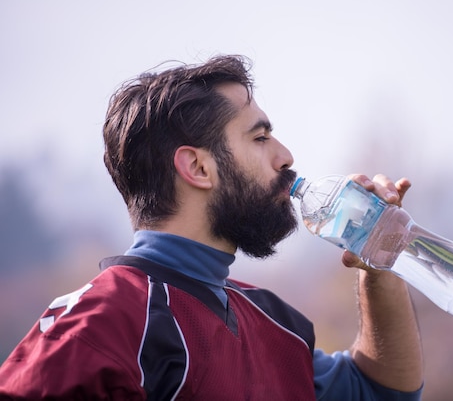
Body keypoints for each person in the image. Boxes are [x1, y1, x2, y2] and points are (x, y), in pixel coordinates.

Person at [0, 55, 424, 400]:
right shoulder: (101, 324)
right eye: (260, 138)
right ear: (198, 167)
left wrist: (378, 264)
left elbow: (381, 390)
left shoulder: (277, 325)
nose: (286, 156)